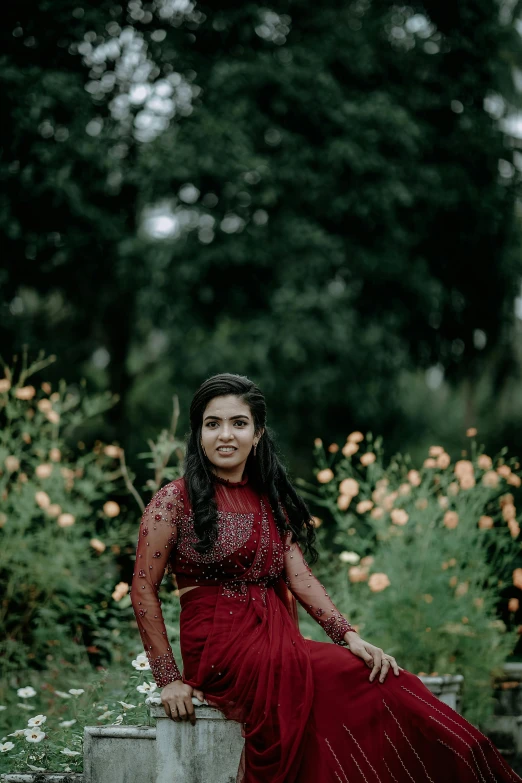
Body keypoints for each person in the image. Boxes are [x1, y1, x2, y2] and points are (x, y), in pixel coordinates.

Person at [130, 373, 521, 783]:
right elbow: (143, 587)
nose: (225, 435)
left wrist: (350, 637)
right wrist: (169, 679)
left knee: (383, 677)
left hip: (273, 643)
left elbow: (300, 578)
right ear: (199, 434)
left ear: (257, 433)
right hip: (220, 650)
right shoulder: (174, 500)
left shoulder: (268, 498)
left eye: (238, 423)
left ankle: (471, 765)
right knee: (348, 678)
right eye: (213, 424)